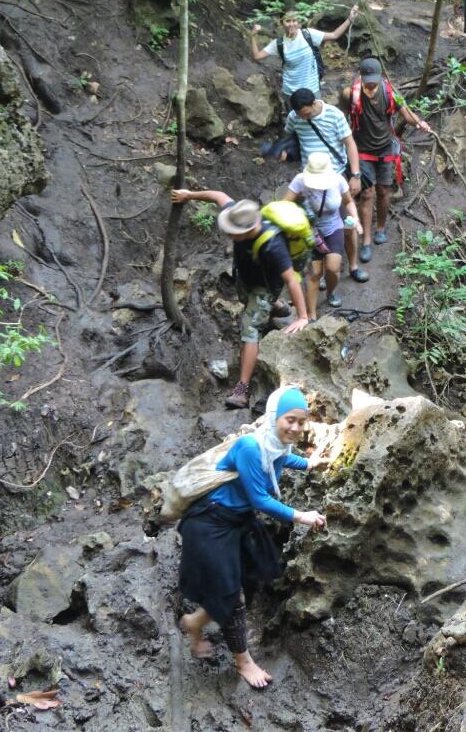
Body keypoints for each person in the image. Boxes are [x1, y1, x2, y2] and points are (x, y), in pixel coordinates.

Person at [178, 386, 328, 689]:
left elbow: (282, 459)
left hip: (237, 521)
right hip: (210, 523)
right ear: (274, 417)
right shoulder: (250, 447)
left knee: (252, 576)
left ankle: (194, 622)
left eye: (301, 422)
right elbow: (260, 499)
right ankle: (243, 661)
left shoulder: (275, 444)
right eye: (290, 420)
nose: (296, 428)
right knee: (232, 596)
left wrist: (309, 463)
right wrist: (301, 515)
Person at [170, 189, 309, 409]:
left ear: (249, 229)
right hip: (246, 278)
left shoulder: (273, 245)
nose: (229, 235)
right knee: (247, 302)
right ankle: (275, 307)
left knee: (250, 329)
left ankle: (242, 390)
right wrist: (189, 195)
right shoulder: (239, 214)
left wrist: (303, 316)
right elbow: (219, 195)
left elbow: (291, 280)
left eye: (233, 232)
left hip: (265, 287)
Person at [347, 58, 431, 263]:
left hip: (385, 148)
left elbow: (406, 113)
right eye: (367, 80)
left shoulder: (390, 92)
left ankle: (381, 227)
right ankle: (366, 241)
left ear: (381, 76)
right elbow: (341, 118)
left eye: (374, 80)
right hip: (362, 150)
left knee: (384, 190)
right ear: (361, 76)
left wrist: (419, 123)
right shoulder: (351, 94)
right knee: (367, 194)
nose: (371, 84)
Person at [283, 87, 369, 284]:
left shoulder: (334, 115)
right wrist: (284, 151)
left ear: (314, 104)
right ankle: (322, 269)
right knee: (316, 227)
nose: (302, 118)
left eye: (305, 114)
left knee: (348, 224)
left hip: (336, 176)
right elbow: (289, 138)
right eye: (298, 114)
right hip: (309, 179)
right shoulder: (294, 117)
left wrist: (355, 174)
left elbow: (350, 143)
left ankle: (353, 266)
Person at [283, 152, 363, 317]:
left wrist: (355, 219)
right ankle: (311, 315)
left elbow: (348, 201)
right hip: (309, 231)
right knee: (314, 274)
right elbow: (284, 205)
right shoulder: (300, 180)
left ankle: (330, 292)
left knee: (333, 268)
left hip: (334, 228)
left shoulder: (338, 181)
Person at [250, 5, 359, 108]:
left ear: (298, 22)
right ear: (282, 23)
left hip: (312, 88)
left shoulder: (308, 34)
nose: (291, 24)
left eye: (294, 20)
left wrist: (350, 18)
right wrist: (253, 36)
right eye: (288, 21)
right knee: (295, 122)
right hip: (291, 91)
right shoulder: (279, 43)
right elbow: (257, 56)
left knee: (316, 118)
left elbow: (334, 35)